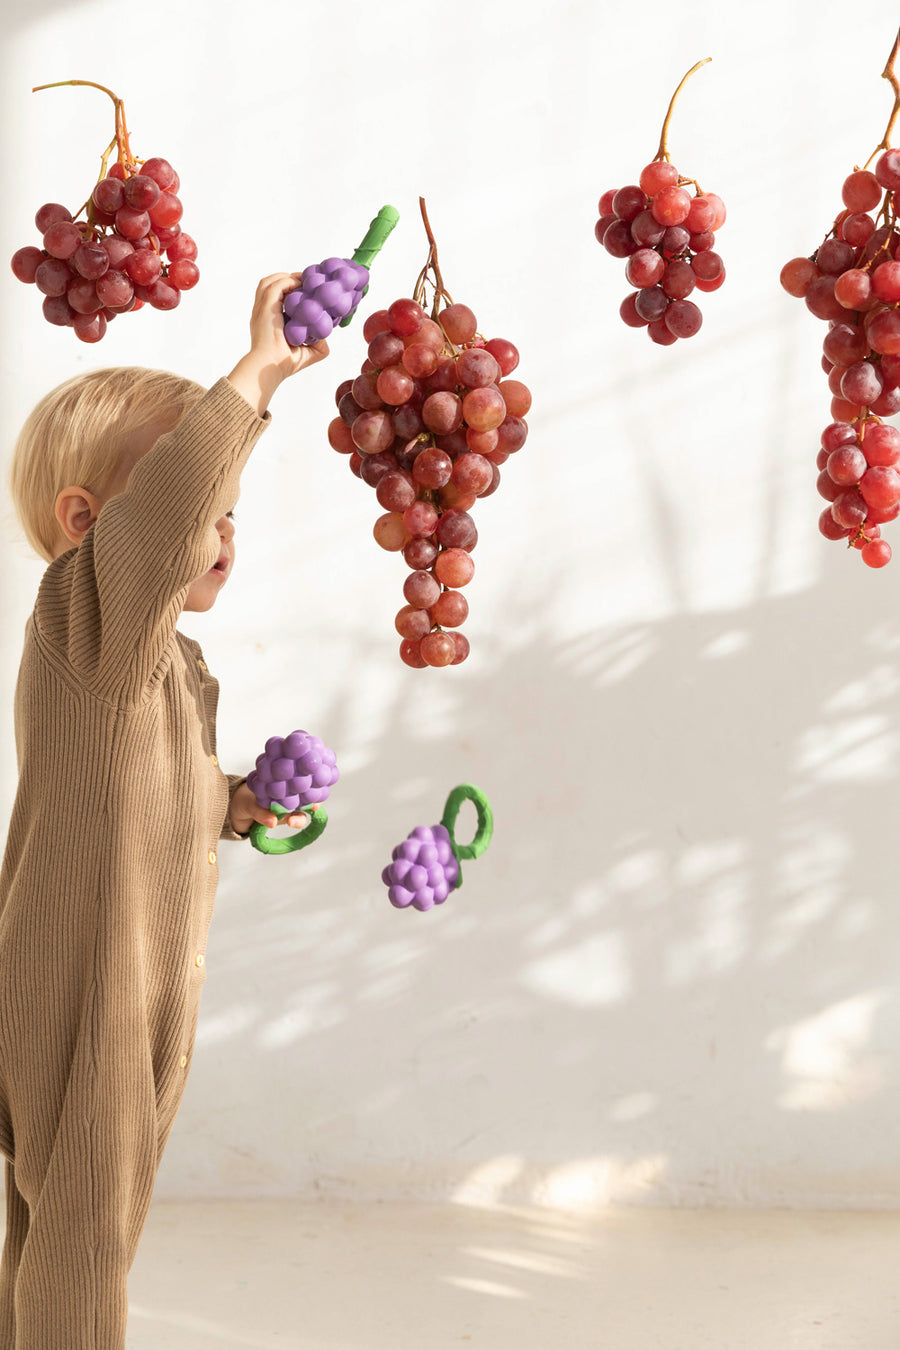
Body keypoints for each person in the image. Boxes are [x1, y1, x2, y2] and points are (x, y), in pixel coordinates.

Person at [0, 273, 328, 1348]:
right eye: (198, 511)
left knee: (64, 1221)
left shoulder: (153, 660)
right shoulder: (87, 616)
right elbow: (170, 506)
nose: (220, 528)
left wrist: (235, 805)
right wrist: (259, 372)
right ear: (92, 527)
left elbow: (144, 796)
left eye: (231, 513)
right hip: (83, 983)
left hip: (126, 976)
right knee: (88, 1229)